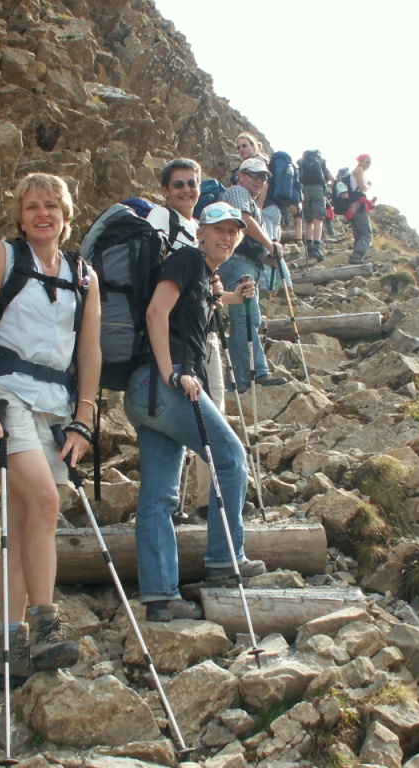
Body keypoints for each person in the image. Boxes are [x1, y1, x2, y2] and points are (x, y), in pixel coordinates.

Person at [0, 172, 102, 686]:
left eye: (51, 206)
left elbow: (90, 351)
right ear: (20, 218)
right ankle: (47, 624)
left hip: (57, 408)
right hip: (6, 398)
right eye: (32, 207)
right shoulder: (1, 256)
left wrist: (84, 419)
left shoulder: (84, 276)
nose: (42, 214)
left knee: (24, 525)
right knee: (46, 502)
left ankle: (9, 649)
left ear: (66, 217)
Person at [124, 202, 268, 622]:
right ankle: (224, 560)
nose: (227, 236)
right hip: (166, 385)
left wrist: (230, 297)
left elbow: (197, 309)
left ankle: (161, 597)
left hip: (144, 392)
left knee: (159, 495)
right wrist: (171, 373)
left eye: (234, 231)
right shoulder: (187, 259)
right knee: (231, 458)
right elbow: (156, 311)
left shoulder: (204, 276)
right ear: (199, 232)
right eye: (219, 229)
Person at [146, 158, 214, 523]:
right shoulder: (161, 218)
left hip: (193, 334)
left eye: (192, 183)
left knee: (194, 418)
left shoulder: (197, 227)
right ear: (165, 190)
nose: (187, 190)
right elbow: (160, 284)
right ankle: (204, 501)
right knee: (195, 420)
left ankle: (192, 501)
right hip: (174, 339)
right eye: (178, 184)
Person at [216, 157, 288, 392]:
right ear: (241, 175)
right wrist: (270, 245)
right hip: (239, 264)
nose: (259, 180)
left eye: (264, 177)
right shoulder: (238, 192)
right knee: (247, 315)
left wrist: (267, 254)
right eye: (254, 175)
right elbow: (244, 220)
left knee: (244, 317)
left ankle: (239, 381)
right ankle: (256, 373)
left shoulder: (252, 202)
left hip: (245, 264)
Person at [298, 149, 333, 261]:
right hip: (318, 190)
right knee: (318, 219)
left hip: (304, 190)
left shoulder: (302, 163)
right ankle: (317, 247)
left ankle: (309, 247)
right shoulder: (321, 162)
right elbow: (331, 178)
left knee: (308, 220)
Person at [346, 154, 378, 265]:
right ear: (360, 161)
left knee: (359, 235)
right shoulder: (359, 170)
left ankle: (355, 258)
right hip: (359, 206)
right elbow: (362, 188)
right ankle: (356, 257)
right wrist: (369, 185)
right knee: (366, 234)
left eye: (370, 162)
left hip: (352, 207)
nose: (369, 164)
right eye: (367, 161)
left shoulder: (355, 171)